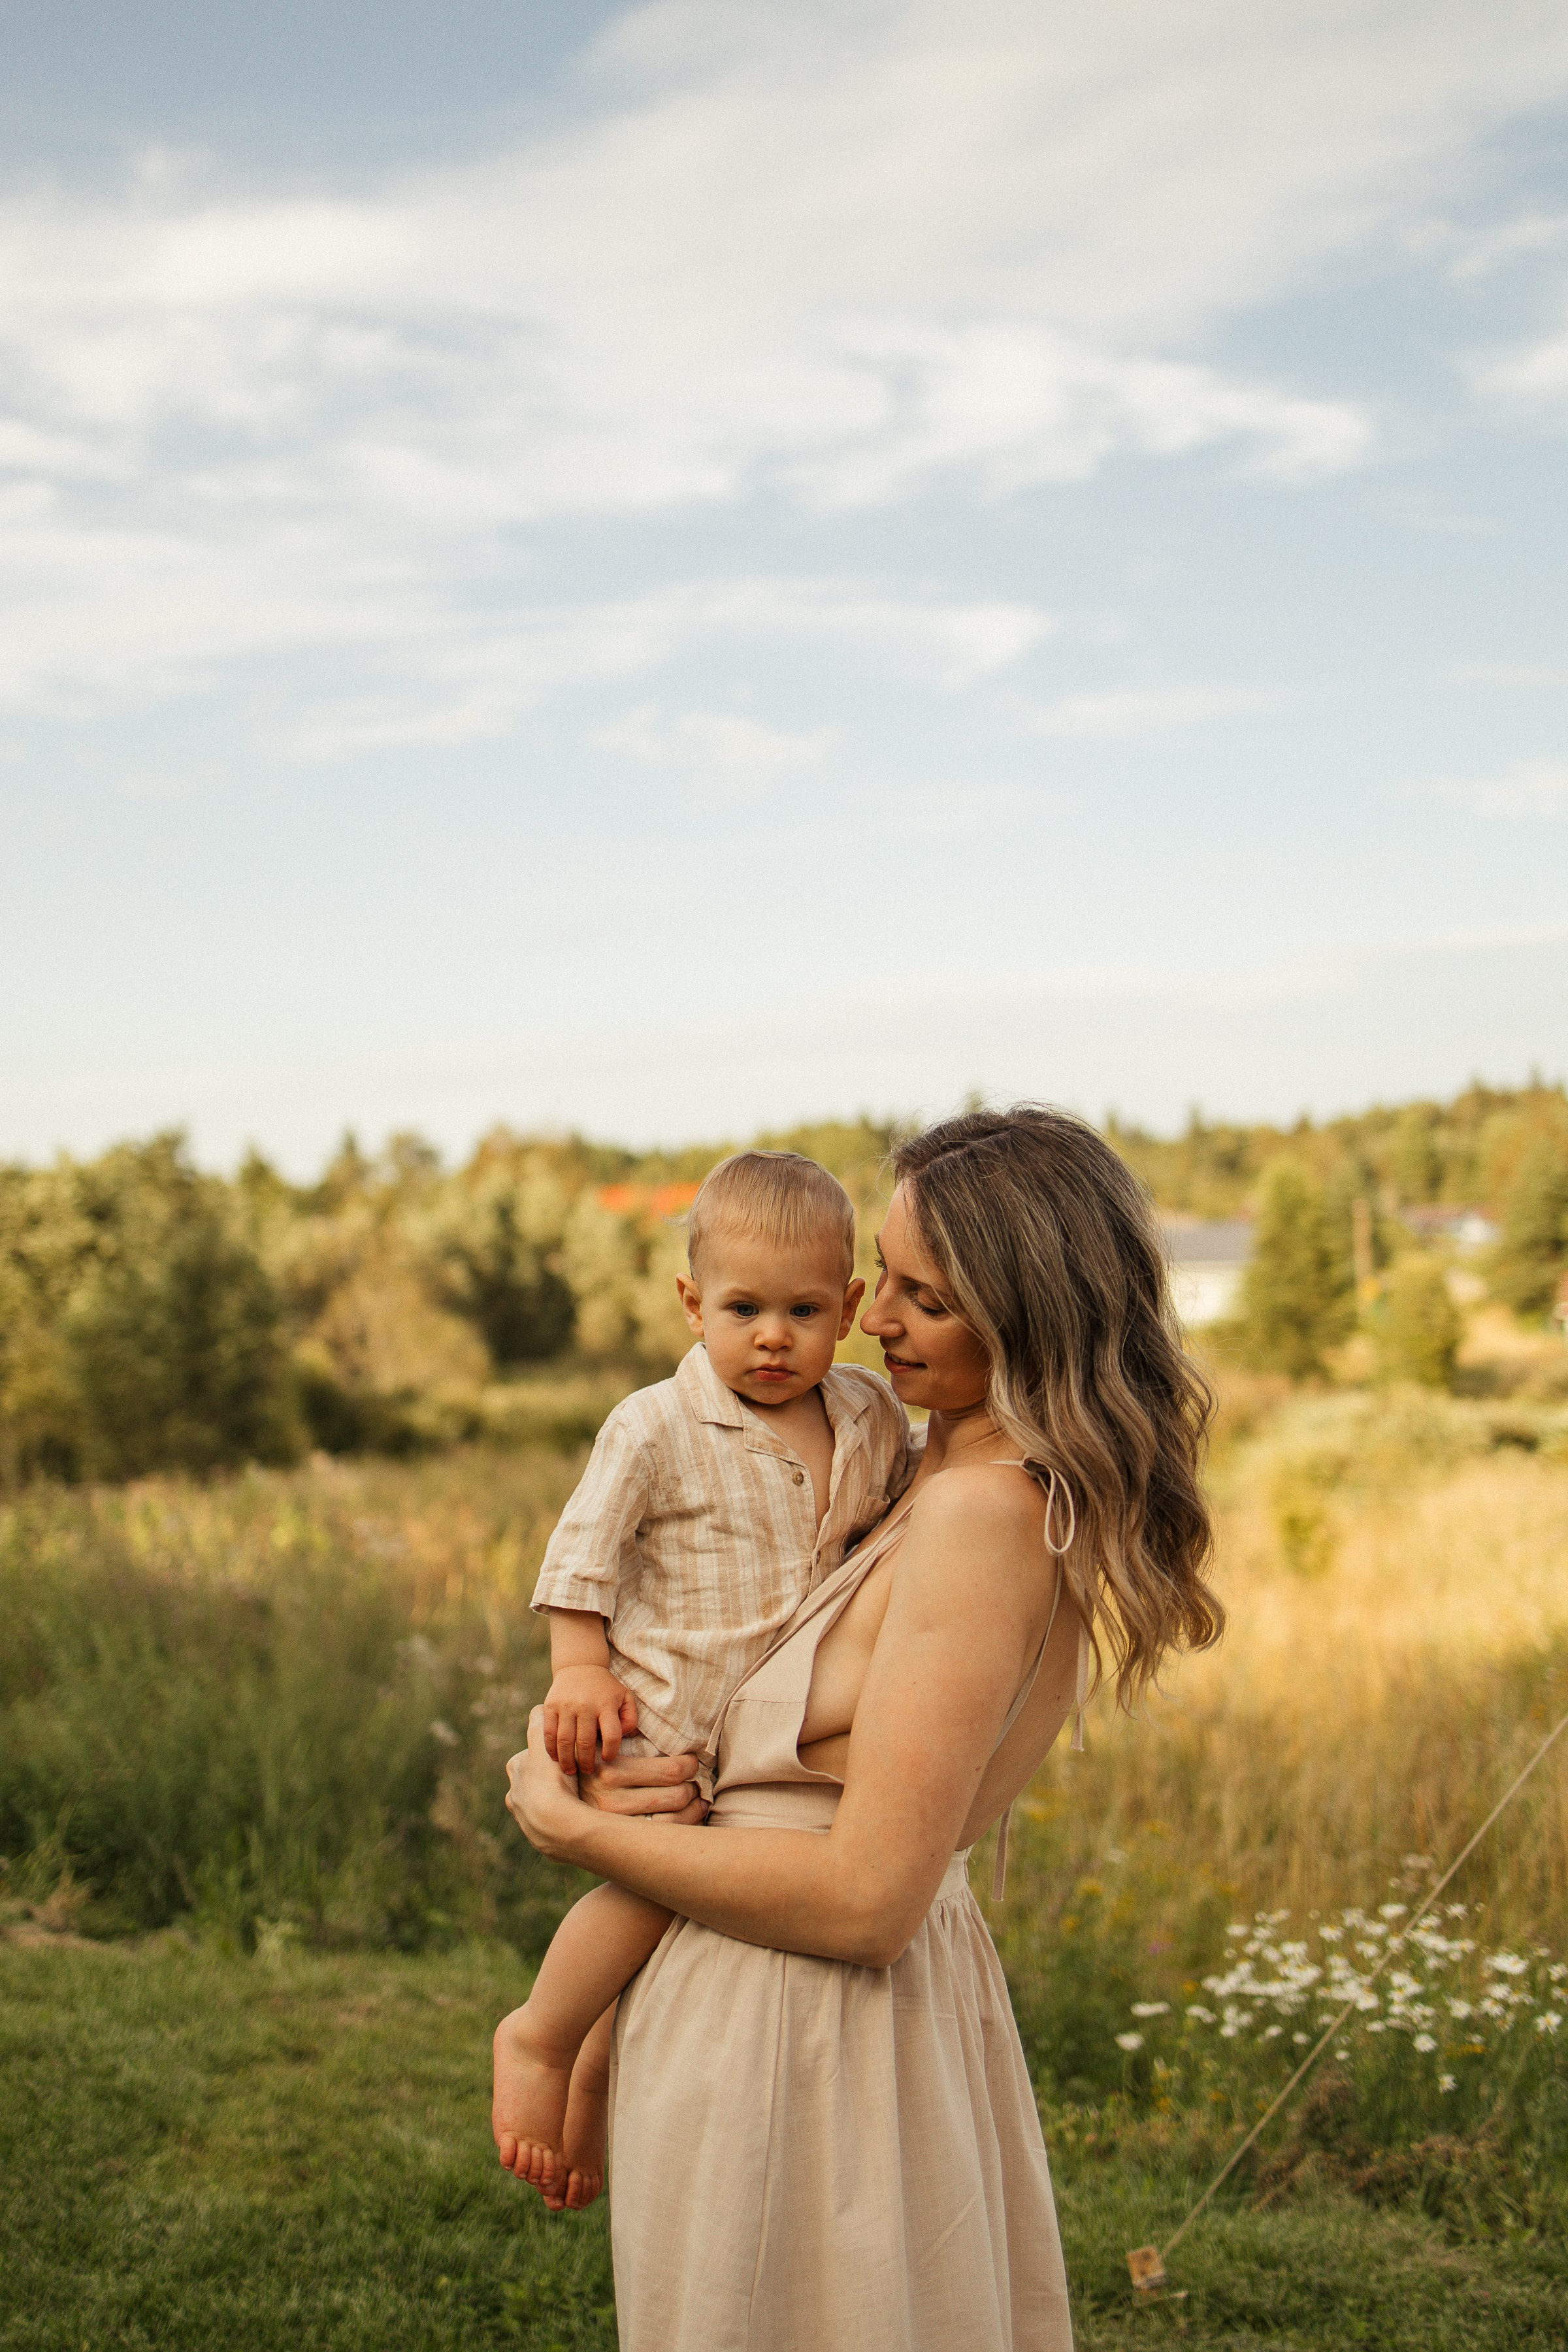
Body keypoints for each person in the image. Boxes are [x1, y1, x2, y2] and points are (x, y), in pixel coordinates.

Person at [508, 1105, 1224, 2351]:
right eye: (883, 1277)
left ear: (1030, 1317)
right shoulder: (896, 1471)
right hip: (756, 2003)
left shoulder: (980, 1517)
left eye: (923, 1298)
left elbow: (867, 1901)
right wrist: (620, 1758)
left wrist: (581, 1835)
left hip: (809, 2038)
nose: (872, 1317)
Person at [493, 1151, 913, 2206]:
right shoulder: (655, 1424)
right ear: (693, 1304)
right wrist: (578, 1670)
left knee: (688, 1911)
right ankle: (541, 2034)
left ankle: (598, 2077)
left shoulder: (868, 1416)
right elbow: (581, 1557)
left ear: (849, 1309)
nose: (773, 1336)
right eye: (743, 1309)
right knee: (652, 1886)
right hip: (672, 1715)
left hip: (776, 1726)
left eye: (803, 1311)